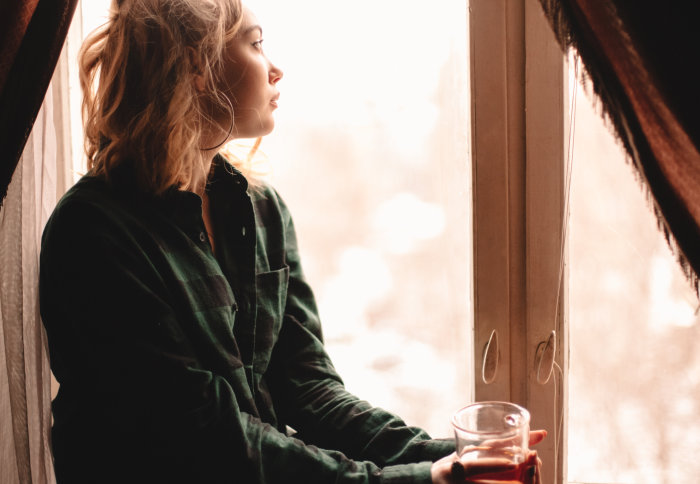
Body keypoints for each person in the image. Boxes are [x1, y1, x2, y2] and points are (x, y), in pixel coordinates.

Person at [39, 0, 543, 482]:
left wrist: (459, 456)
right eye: (256, 44)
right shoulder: (93, 234)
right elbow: (208, 441)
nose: (276, 69)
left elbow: (310, 389)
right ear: (196, 65)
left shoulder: (261, 211)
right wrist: (424, 479)